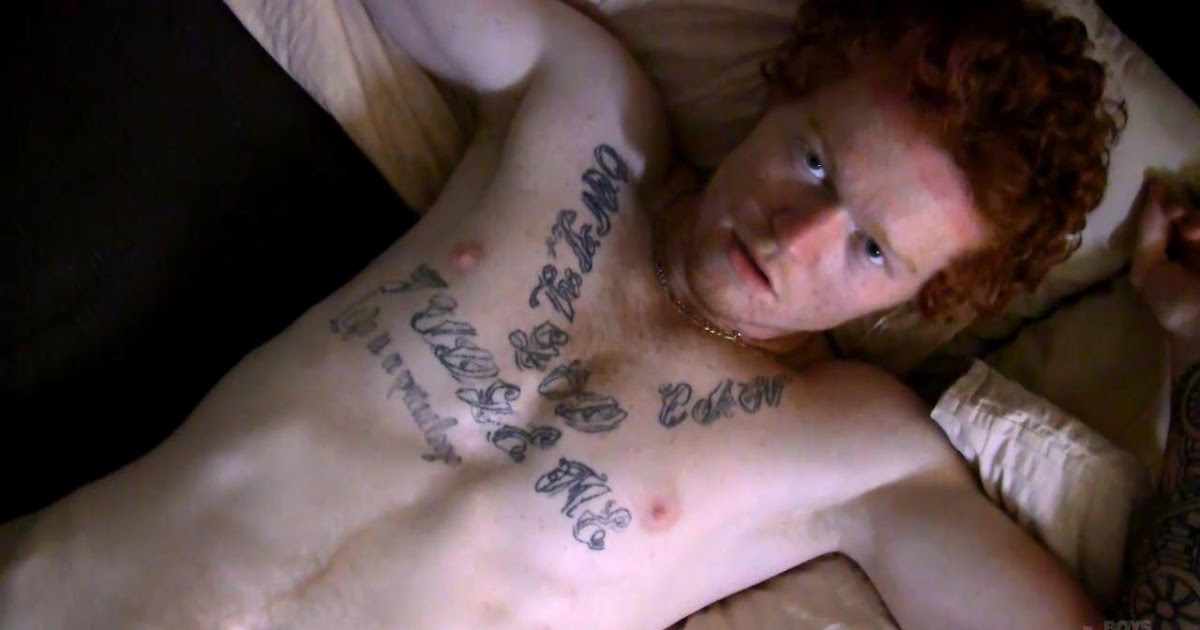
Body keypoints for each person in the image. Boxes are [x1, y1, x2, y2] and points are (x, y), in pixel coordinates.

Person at [0, 0, 1125, 627]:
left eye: (872, 249)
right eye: (816, 160)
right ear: (791, 85)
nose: (796, 236)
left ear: (931, 297)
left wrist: (1189, 347)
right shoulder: (585, 108)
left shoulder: (857, 450)